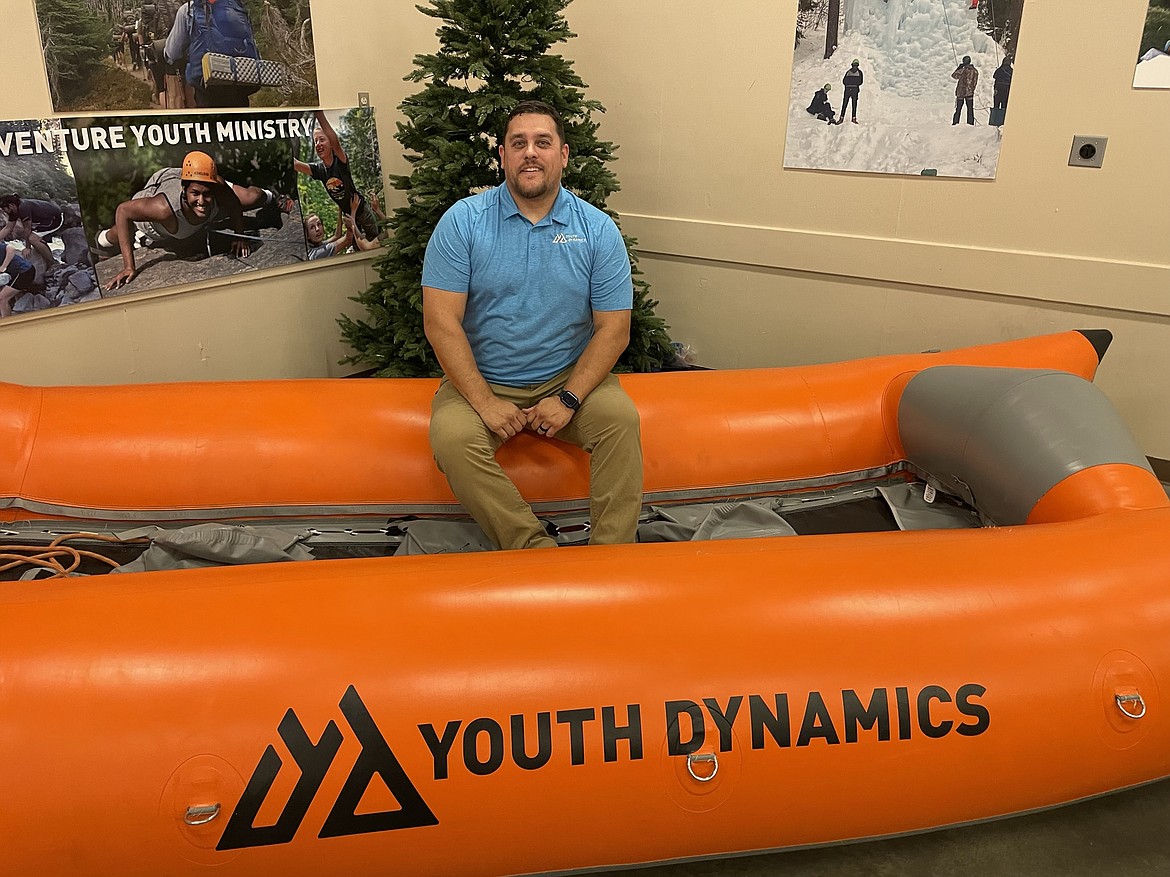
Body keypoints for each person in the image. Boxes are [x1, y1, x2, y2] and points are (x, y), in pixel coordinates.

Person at [421, 99, 642, 551]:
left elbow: (614, 329)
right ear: (502, 155)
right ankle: (533, 550)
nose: (530, 153)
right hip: (482, 379)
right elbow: (441, 321)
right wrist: (483, 401)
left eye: (543, 142)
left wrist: (569, 397)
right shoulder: (462, 223)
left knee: (620, 420)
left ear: (562, 155)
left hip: (569, 378)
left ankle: (612, 559)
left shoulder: (597, 230)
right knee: (451, 438)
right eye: (518, 143)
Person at [93, 150, 284, 290]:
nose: (201, 201)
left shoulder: (217, 187)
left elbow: (233, 204)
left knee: (251, 198)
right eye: (195, 194)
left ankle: (273, 196)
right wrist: (129, 266)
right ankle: (101, 240)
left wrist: (239, 235)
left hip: (189, 175)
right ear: (185, 190)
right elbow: (123, 211)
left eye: (207, 194)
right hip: (161, 188)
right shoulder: (163, 209)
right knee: (127, 232)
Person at [294, 112, 382, 245]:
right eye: (315, 141)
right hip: (348, 215)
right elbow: (295, 164)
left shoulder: (340, 161)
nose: (318, 144)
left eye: (322, 139)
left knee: (375, 242)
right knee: (358, 248)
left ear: (330, 143)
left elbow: (336, 143)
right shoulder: (319, 170)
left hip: (361, 209)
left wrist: (319, 115)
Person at [0, 194, 64, 269]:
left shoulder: (23, 208)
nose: (4, 211)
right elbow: (8, 228)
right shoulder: (13, 210)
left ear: (11, 205)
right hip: (42, 220)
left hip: (54, 219)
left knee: (32, 238)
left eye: (4, 209)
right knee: (33, 237)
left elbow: (27, 229)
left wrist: (27, 247)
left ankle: (52, 264)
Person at [0, 239, 37, 318]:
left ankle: (7, 323)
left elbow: (11, 249)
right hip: (15, 273)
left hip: (24, 272)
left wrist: (4, 266)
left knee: (2, 299)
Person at [952, 55, 978, 125]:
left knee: (958, 109)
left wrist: (959, 67)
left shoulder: (962, 70)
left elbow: (954, 75)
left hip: (961, 92)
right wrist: (972, 89)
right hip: (970, 92)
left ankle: (955, 122)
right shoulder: (975, 71)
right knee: (970, 109)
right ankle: (970, 123)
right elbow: (975, 82)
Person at [838, 59, 863, 124]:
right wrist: (854, 83)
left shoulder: (849, 72)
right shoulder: (857, 72)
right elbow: (859, 82)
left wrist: (850, 83)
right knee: (848, 104)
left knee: (849, 104)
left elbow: (845, 81)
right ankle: (850, 118)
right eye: (854, 65)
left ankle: (843, 118)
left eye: (856, 65)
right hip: (852, 89)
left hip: (849, 89)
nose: (855, 67)